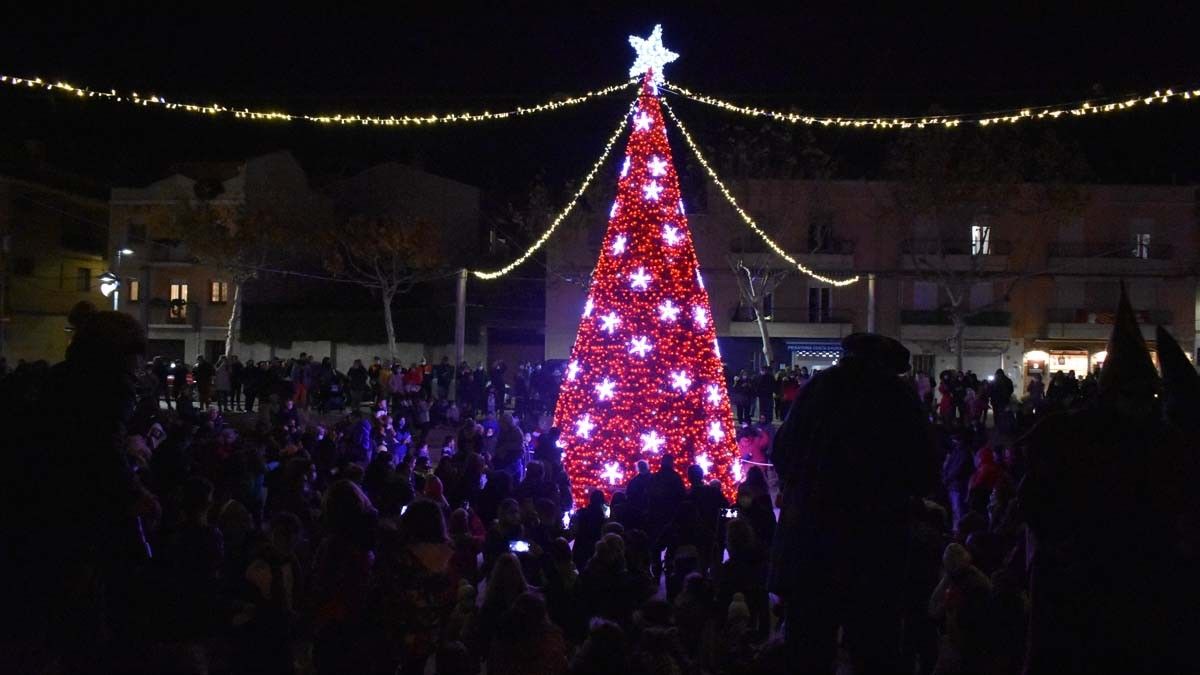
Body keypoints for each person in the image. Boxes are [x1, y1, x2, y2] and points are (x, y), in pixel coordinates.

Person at [1018, 288, 1189, 673]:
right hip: (1077, 584)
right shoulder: (1066, 436)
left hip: (1139, 588)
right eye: (1135, 395)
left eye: (1151, 396)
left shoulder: (1164, 444)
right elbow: (1036, 504)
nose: (1143, 405)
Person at [770, 333, 936, 673]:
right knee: (874, 648)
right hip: (874, 545)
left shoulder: (818, 389)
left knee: (808, 649)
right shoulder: (896, 397)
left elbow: (782, 453)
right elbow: (924, 469)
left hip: (811, 543)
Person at [369, 499, 456, 675]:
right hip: (428, 632)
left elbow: (384, 589)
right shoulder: (448, 557)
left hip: (396, 627)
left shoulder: (398, 555)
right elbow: (450, 598)